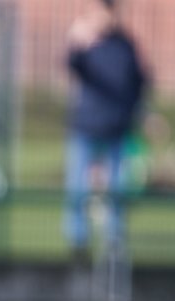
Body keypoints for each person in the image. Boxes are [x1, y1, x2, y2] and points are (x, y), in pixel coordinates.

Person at [63, 0, 148, 261]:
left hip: (117, 128)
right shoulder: (88, 42)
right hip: (86, 125)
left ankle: (114, 238)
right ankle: (77, 239)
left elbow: (139, 82)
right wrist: (77, 42)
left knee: (117, 186)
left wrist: (137, 113)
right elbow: (73, 65)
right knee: (78, 185)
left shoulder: (125, 45)